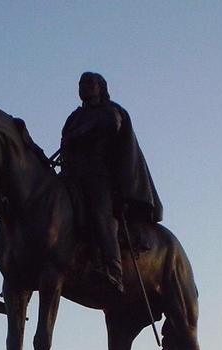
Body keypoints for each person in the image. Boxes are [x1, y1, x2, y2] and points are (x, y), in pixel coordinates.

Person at [59, 72, 163, 292]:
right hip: (72, 175)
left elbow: (111, 131)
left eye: (89, 83)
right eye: (81, 84)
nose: (83, 87)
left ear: (101, 87)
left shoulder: (111, 111)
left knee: (100, 215)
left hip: (99, 176)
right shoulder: (74, 117)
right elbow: (66, 141)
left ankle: (113, 270)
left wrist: (80, 137)